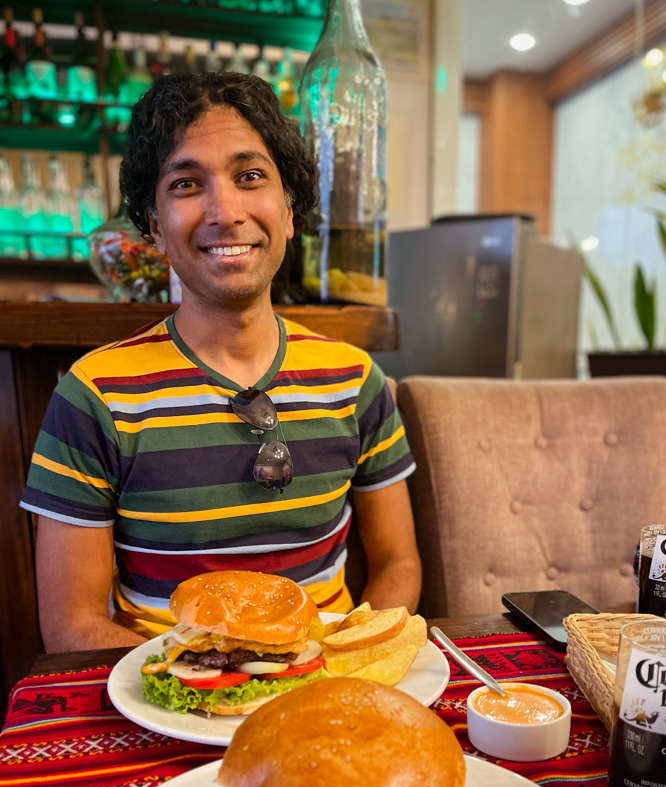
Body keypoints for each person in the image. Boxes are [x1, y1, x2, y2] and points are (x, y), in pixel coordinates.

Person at [22, 72, 421, 653]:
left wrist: (343, 662)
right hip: (167, 696)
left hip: (323, 687)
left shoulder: (357, 380)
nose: (224, 210)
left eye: (250, 176)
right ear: (155, 228)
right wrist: (207, 687)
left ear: (288, 211)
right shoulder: (93, 396)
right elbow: (71, 627)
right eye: (186, 183)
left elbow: (399, 564)